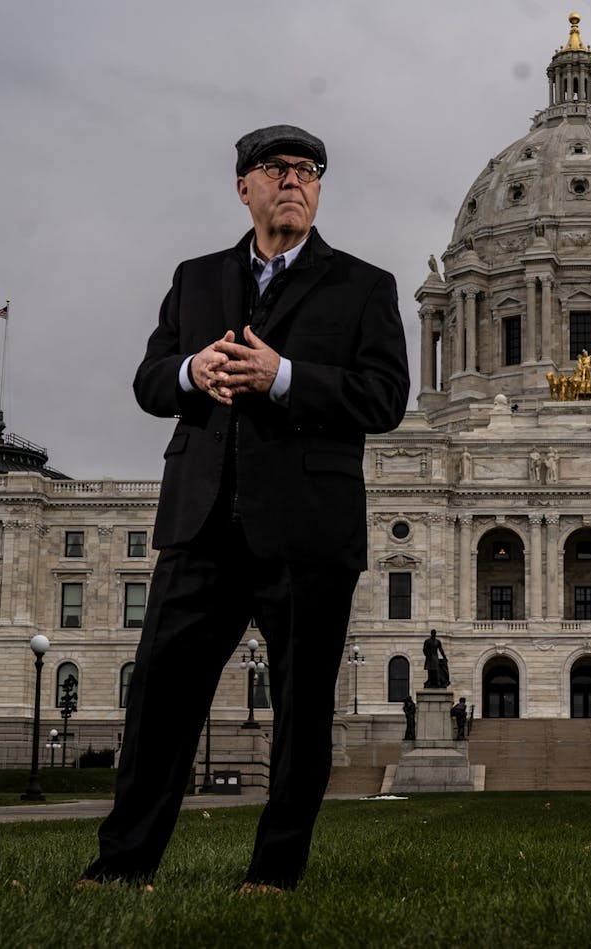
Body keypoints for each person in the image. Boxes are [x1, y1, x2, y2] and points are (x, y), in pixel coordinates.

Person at [79, 124, 410, 893]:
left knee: (300, 709)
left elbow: (385, 397)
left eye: (308, 170)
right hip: (201, 519)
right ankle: (122, 863)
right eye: (276, 168)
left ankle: (275, 870)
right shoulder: (195, 278)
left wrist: (285, 375)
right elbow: (149, 380)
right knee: (160, 698)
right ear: (245, 187)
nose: (294, 180)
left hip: (307, 527)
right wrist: (193, 370)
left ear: (318, 189)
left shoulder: (363, 285)